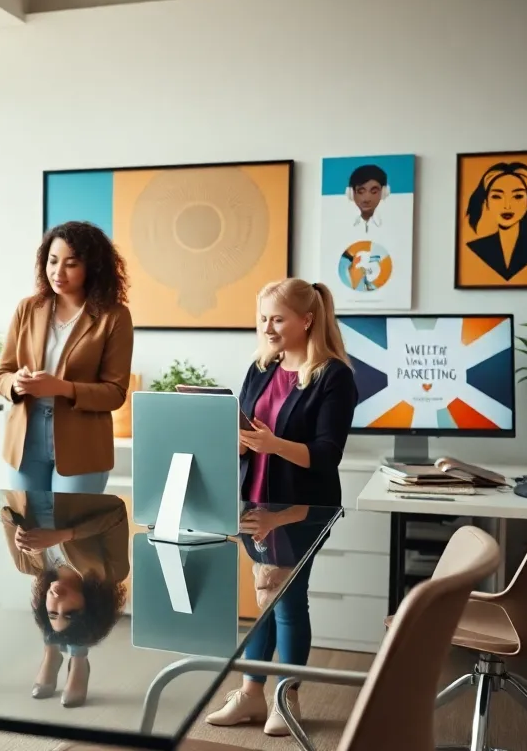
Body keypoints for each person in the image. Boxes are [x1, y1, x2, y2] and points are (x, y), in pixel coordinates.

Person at [205, 278, 357, 737]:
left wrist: (273, 444)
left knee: (287, 600)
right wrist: (241, 443)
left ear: (306, 320)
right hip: (255, 501)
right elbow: (250, 434)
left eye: (277, 319)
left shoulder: (334, 376)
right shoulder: (261, 367)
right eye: (262, 318)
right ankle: (251, 695)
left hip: (304, 508)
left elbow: (327, 453)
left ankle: (284, 699)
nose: (267, 327)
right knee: (264, 598)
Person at [0, 221, 133, 495]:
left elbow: (115, 393)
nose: (58, 272)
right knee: (29, 528)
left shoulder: (114, 316)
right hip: (25, 436)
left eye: (71, 263)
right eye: (52, 261)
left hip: (83, 441)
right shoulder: (28, 308)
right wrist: (16, 383)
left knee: (74, 531)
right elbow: (2, 375)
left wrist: (62, 388)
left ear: (91, 267)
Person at [0, 491, 129, 708]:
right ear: (90, 606)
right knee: (74, 629)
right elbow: (116, 513)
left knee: (61, 623)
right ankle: (64, 656)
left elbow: (7, 514)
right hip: (70, 492)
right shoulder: (111, 572)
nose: (57, 600)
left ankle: (65, 656)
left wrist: (21, 533)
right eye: (69, 611)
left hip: (34, 489)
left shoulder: (29, 565)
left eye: (52, 611)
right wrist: (65, 535)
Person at [463, 161, 527, 281]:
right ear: (486, 203)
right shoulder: (477, 247)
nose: (507, 206)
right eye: (497, 196)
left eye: (517, 196)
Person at [346, 164, 389, 235]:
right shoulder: (344, 225)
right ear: (351, 193)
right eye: (361, 192)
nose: (367, 199)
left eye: (374, 192)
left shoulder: (390, 225)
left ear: (384, 192)